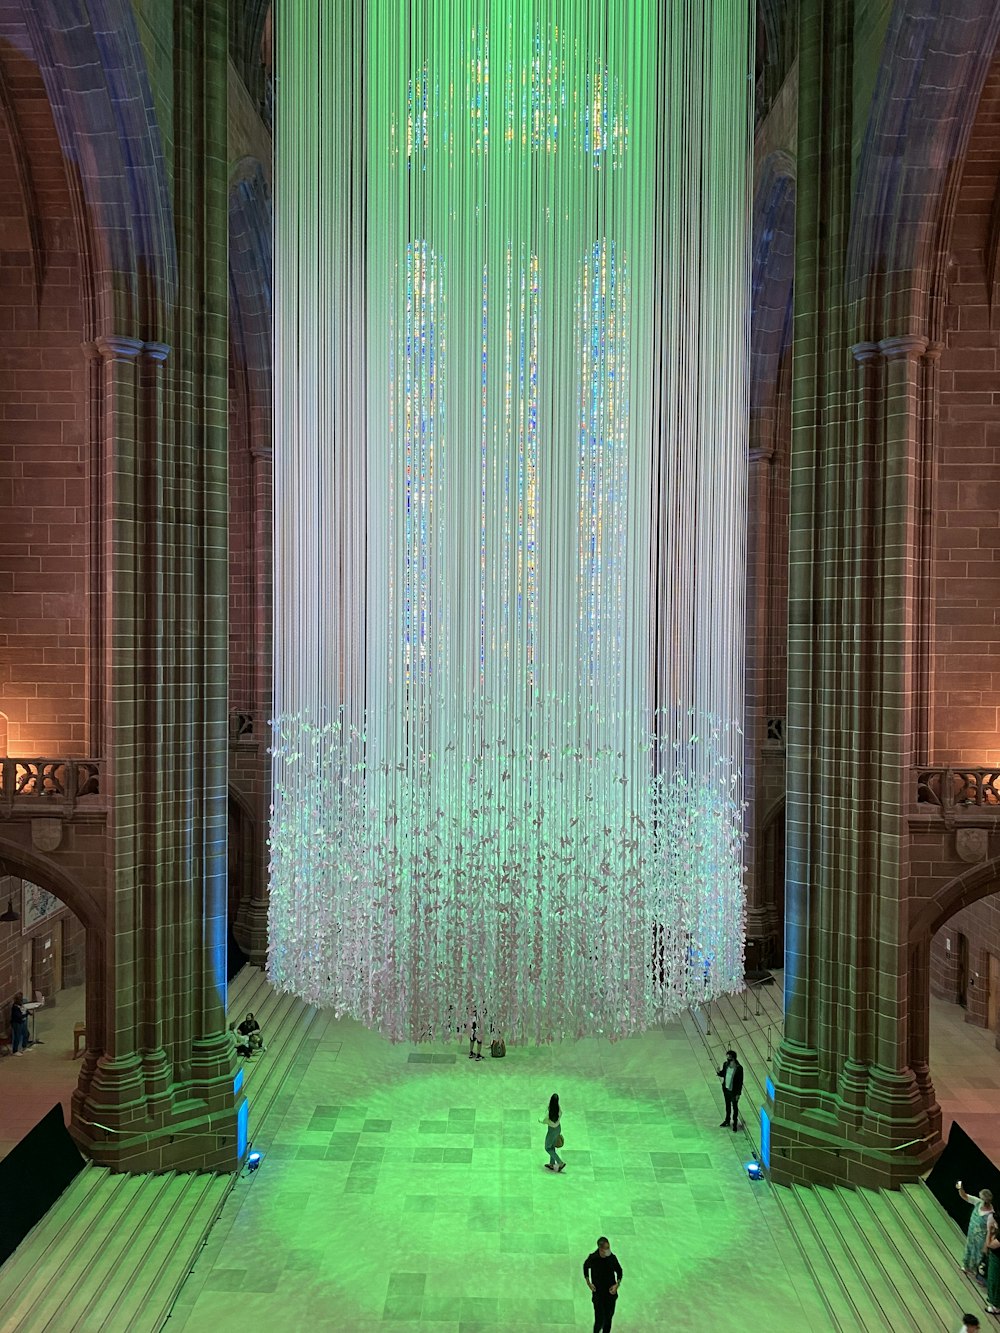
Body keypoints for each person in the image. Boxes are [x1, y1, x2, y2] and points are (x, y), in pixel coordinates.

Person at [583, 1235, 623, 1333]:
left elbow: (619, 1271)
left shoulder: (612, 1258)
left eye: (609, 1247)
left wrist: (617, 1284)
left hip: (610, 1294)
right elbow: (585, 1266)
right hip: (598, 1294)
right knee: (599, 1320)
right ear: (600, 1249)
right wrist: (588, 1283)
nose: (608, 1250)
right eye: (606, 1248)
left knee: (608, 1320)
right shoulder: (593, 1258)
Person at [957, 1180, 994, 1278]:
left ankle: (976, 1273)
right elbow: (964, 1196)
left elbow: (991, 1231)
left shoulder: (991, 1215)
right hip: (972, 1234)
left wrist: (986, 1245)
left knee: (978, 1255)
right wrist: (960, 1187)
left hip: (981, 1239)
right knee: (969, 1249)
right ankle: (966, 1266)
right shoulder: (978, 1203)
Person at [717, 1049, 744, 1131]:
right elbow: (723, 1074)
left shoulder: (739, 1068)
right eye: (727, 1058)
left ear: (734, 1058)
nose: (728, 1059)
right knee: (727, 1106)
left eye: (729, 1058)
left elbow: (740, 1082)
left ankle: (735, 1123)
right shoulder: (725, 1065)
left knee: (735, 1108)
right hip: (726, 1089)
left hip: (734, 1092)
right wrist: (718, 1072)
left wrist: (738, 1094)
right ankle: (727, 1120)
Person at [540, 1092, 565, 1172]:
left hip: (551, 1131)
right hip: (558, 1128)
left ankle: (560, 1162)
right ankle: (551, 1164)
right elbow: (561, 1113)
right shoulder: (558, 1108)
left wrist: (540, 1120)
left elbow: (544, 1120)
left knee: (547, 1147)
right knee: (552, 1146)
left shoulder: (549, 1111)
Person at [986, 1210, 1000, 1316]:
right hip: (995, 1259)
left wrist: (989, 1232)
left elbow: (990, 1244)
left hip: (997, 1260)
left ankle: (995, 1306)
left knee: (995, 1281)